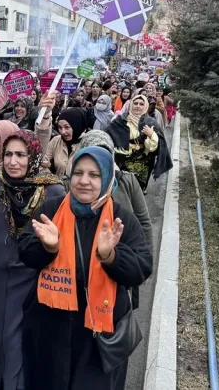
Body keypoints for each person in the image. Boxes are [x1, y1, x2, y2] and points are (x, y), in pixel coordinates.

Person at [19, 146, 153, 390]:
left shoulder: (121, 220)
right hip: (50, 329)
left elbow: (141, 269)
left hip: (98, 333)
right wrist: (48, 248)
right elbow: (25, 252)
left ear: (107, 179)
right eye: (78, 173)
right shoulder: (50, 210)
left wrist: (110, 255)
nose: (84, 181)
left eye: (94, 175)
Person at [0, 130, 66, 390]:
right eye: (8, 154)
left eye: (20, 155)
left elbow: (60, 239)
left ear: (32, 156)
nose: (12, 161)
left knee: (20, 341)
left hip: (34, 279)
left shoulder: (53, 190)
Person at [78, 130, 153, 309]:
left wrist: (143, 262)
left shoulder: (127, 181)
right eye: (91, 152)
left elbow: (144, 223)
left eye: (103, 152)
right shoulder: (75, 184)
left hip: (119, 263)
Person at [105, 95, 173, 191]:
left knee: (135, 190)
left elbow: (153, 148)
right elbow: (107, 135)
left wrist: (151, 134)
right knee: (120, 189)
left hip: (142, 163)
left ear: (146, 106)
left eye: (141, 104)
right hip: (120, 160)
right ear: (131, 105)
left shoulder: (150, 122)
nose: (138, 106)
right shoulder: (121, 120)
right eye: (135, 103)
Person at [42, 107, 88, 177]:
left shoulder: (87, 143)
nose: (63, 132)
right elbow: (44, 163)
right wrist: (50, 168)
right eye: (60, 127)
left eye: (67, 127)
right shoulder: (56, 141)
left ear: (77, 125)